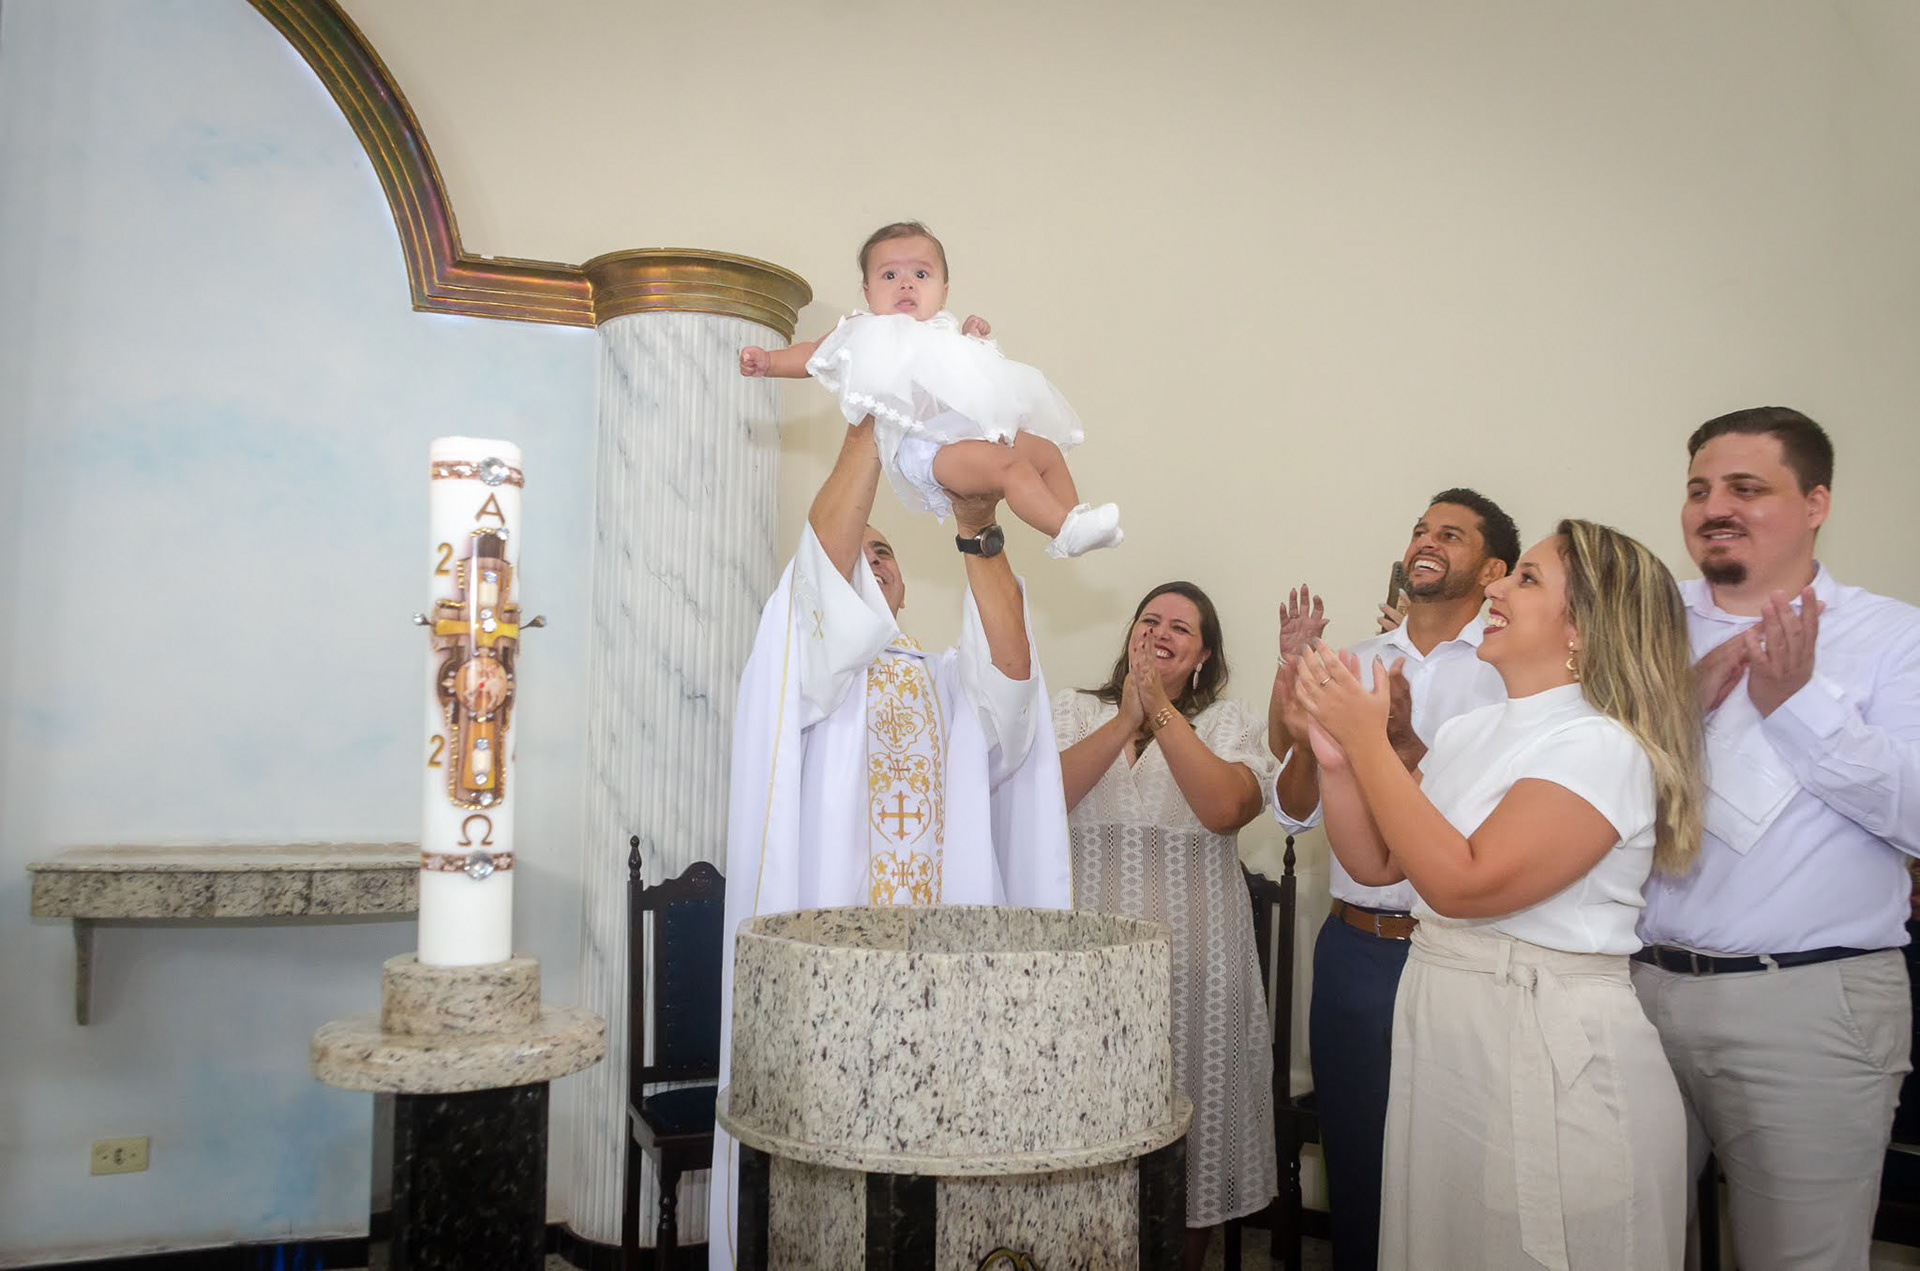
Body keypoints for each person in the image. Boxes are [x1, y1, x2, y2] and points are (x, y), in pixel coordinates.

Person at [705, 415, 1074, 1269]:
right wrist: (875, 410)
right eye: (855, 551)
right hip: (831, 990)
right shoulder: (803, 673)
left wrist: (977, 527)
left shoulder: (946, 683)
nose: (871, 563)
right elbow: (820, 572)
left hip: (948, 989)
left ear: (904, 582)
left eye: (886, 553)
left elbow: (1013, 674)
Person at [1294, 519, 1701, 1271]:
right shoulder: (1468, 732)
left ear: (1583, 628)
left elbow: (1464, 882)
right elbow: (1380, 862)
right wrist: (1340, 762)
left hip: (1544, 1040)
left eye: (1527, 578)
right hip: (1451, 1028)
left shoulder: (1600, 744)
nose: (1497, 588)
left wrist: (1368, 741)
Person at [1633, 407, 1918, 1270]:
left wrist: (1796, 703)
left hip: (1808, 1004)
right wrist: (1677, 701)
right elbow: (1578, 783)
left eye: (1746, 487)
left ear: (1815, 502)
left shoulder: (1894, 637)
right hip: (1634, 991)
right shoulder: (1644, 624)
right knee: (1624, 1244)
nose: (1714, 507)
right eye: (1699, 489)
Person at [1265, 489, 1518, 1271]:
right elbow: (1295, 809)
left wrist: (1401, 739)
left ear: (1495, 570)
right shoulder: (1354, 663)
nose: (1426, 542)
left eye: (1451, 534)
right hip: (1358, 949)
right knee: (1359, 1165)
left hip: (1466, 949)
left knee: (1461, 1170)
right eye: (1419, 530)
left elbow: (1497, 824)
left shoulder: (1509, 669)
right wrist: (1304, 728)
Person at [1054, 581, 1278, 1271]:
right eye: (1149, 619)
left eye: (1181, 627)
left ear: (1204, 655)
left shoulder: (1229, 723)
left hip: (1198, 973)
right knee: (1087, 1133)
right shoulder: (1073, 710)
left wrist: (1159, 710)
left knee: (1191, 1147)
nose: (1160, 632)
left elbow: (1224, 808)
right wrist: (1125, 718)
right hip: (1087, 971)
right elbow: (1042, 799)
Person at [740, 220, 1123, 557]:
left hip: (976, 434)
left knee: (1046, 453)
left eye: (921, 274)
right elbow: (815, 352)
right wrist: (770, 362)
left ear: (943, 291)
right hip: (929, 448)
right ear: (868, 293)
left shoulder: (944, 331)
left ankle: (1075, 521)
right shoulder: (868, 329)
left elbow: (967, 379)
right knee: (1014, 469)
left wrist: (971, 342)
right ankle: (1064, 531)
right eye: (890, 275)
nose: (906, 283)